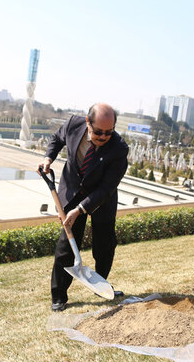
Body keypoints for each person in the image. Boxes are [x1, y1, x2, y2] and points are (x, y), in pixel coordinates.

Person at [38, 103, 129, 311]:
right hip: (72, 192)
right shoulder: (72, 125)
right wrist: (48, 158)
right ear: (88, 122)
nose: (103, 137)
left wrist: (80, 209)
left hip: (101, 201)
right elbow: (57, 138)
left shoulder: (119, 149)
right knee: (66, 247)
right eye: (98, 132)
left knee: (105, 247)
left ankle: (101, 286)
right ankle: (59, 296)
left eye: (109, 132)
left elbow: (106, 188)